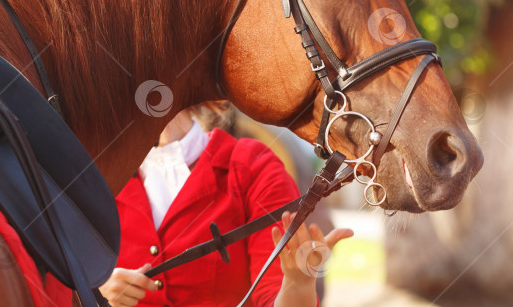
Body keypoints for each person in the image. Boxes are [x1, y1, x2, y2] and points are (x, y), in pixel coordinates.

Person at [99, 103, 352, 307]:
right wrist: (98, 293)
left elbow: (273, 296)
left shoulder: (255, 167)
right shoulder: (95, 176)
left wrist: (298, 286)